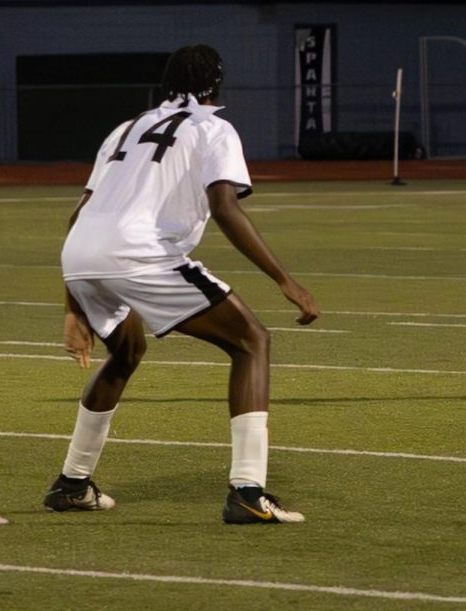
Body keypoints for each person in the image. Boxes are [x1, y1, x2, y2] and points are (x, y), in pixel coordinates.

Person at [44, 44, 319, 523]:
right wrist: (285, 280)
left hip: (81, 251)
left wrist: (73, 307)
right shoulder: (214, 127)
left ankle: (72, 484)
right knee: (252, 341)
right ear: (217, 85)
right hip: (140, 252)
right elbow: (225, 206)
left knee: (126, 353)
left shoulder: (125, 128)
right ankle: (248, 492)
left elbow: (80, 212)